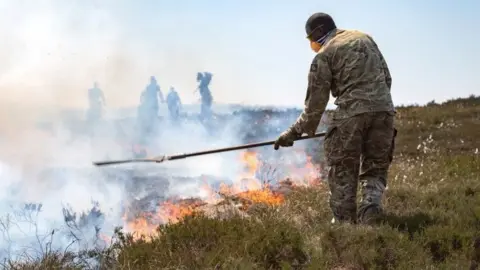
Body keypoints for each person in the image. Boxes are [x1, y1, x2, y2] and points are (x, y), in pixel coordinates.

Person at [273, 12, 397, 225]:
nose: (312, 44)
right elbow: (387, 77)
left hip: (350, 115)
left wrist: (292, 133)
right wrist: (376, 106)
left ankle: (344, 224)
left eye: (311, 38)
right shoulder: (364, 38)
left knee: (342, 170)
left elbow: (315, 105)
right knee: (375, 167)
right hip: (384, 111)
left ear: (319, 32)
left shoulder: (325, 54)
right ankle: (371, 212)